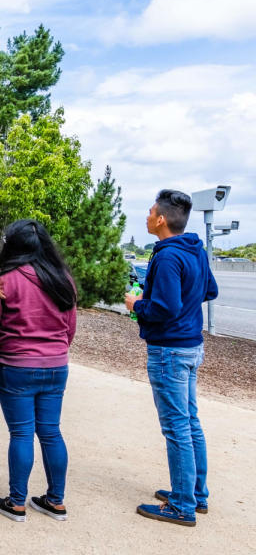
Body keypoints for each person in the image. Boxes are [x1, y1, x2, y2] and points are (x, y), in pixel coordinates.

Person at [125, 189, 218, 527]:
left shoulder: (165, 256)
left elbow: (164, 308)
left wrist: (137, 305)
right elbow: (210, 291)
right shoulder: (196, 250)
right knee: (190, 422)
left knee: (176, 426)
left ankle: (181, 505)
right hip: (192, 345)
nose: (147, 217)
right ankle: (196, 494)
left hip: (170, 350)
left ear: (161, 219)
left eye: (150, 212)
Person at [0, 220, 77, 523]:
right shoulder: (63, 279)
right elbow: (70, 329)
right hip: (56, 365)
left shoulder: (5, 281)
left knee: (22, 433)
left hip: (16, 366)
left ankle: (16, 503)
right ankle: (56, 501)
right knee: (51, 432)